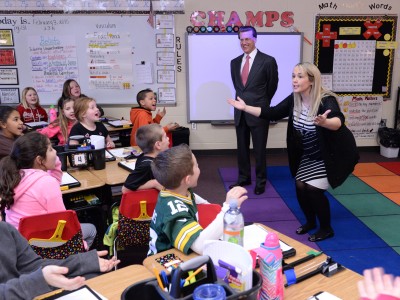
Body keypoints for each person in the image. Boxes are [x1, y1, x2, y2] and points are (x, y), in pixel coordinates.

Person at [227, 62, 358, 242]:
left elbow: (338, 121)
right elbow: (272, 113)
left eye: (300, 76)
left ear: (311, 80)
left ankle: (326, 228)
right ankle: (311, 222)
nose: (294, 80)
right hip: (308, 154)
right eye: (293, 76)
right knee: (300, 186)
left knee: (313, 189)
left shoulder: (325, 99)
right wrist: (245, 108)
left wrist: (324, 122)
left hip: (329, 155)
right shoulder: (295, 98)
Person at [0, 131, 97, 248]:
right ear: (39, 160)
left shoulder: (15, 175)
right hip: (44, 243)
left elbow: (54, 181)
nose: (55, 151)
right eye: (51, 149)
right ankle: (75, 264)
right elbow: (63, 223)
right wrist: (81, 248)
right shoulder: (46, 183)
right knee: (91, 230)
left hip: (20, 244)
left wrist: (54, 161)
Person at [148, 144, 248, 256]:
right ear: (188, 179)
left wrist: (212, 207)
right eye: (197, 166)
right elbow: (201, 246)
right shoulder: (174, 213)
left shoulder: (175, 190)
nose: (199, 168)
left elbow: (194, 198)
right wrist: (227, 209)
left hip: (178, 252)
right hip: (166, 262)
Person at [0, 221, 119, 300]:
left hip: (24, 293)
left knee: (93, 277)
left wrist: (84, 261)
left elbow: (33, 265)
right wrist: (41, 279)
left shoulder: (4, 229)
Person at [229, 26, 279, 195]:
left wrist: (262, 105)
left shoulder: (268, 61)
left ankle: (260, 181)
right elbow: (238, 87)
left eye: (247, 39)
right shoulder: (234, 62)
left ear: (255, 39)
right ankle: (243, 178)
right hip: (240, 113)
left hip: (258, 112)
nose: (244, 43)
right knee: (241, 149)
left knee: (259, 150)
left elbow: (272, 86)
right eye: (241, 39)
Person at [122, 124, 170, 193]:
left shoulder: (153, 157)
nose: (168, 138)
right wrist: (154, 183)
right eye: (165, 137)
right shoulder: (147, 166)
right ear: (158, 145)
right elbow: (126, 189)